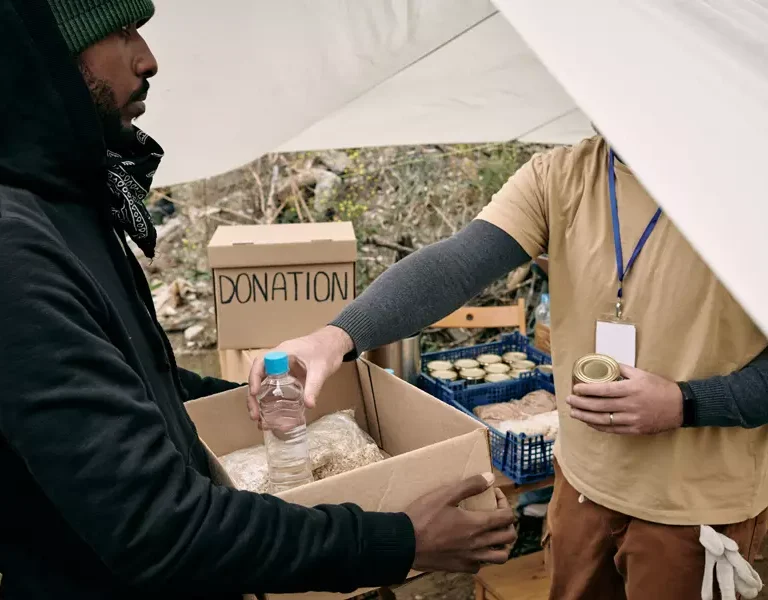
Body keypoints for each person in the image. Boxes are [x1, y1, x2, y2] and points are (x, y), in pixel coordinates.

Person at [0, 1, 518, 598]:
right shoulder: (15, 248)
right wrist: (400, 542)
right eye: (120, 33)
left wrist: (275, 411)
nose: (149, 60)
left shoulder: (72, 208)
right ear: (46, 61)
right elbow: (160, 530)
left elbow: (146, 388)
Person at [250, 129, 768, 597]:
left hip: (696, 512)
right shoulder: (561, 174)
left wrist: (687, 403)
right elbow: (456, 264)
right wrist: (336, 336)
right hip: (581, 488)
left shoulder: (747, 181)